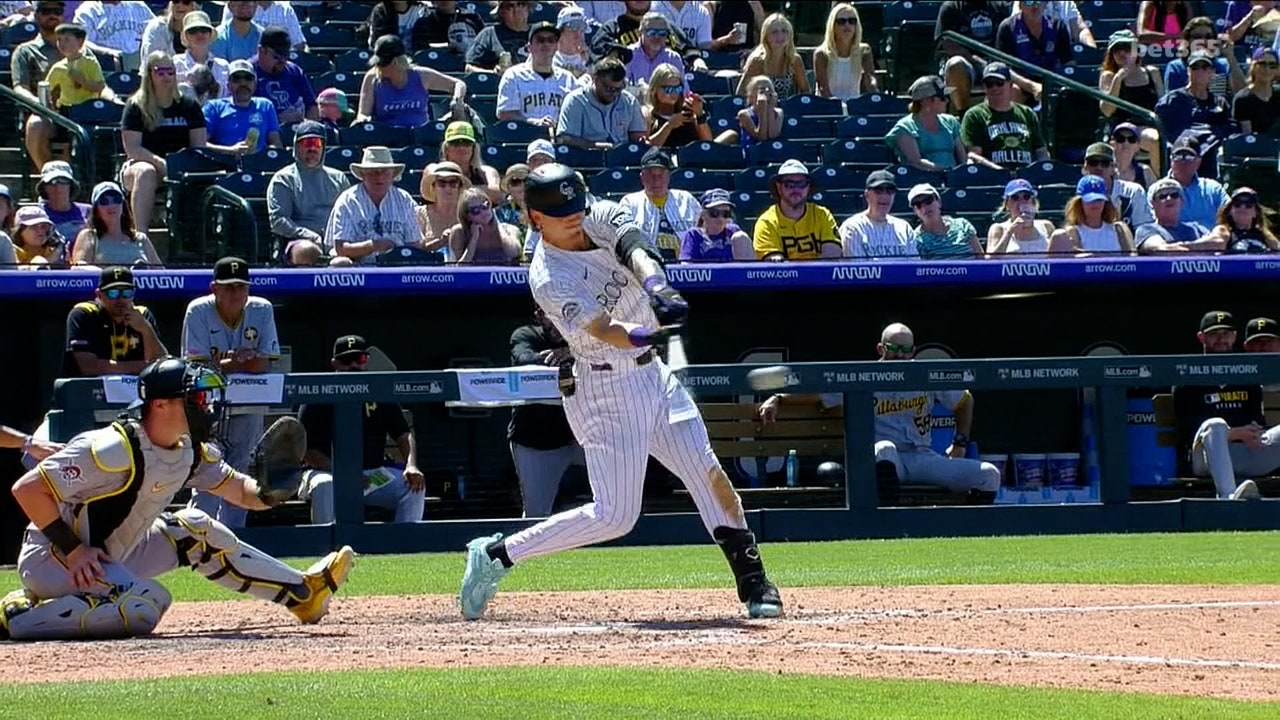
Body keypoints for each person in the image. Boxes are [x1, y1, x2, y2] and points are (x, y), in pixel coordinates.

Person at [459, 163, 783, 621]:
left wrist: (658, 288)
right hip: (605, 385)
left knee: (707, 473)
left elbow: (636, 248)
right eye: (559, 211)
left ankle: (754, 581)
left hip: (654, 378)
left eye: (575, 205)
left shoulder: (598, 214)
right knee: (615, 516)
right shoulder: (548, 276)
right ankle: (497, 554)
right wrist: (649, 334)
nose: (573, 216)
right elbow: (602, 328)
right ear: (535, 218)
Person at [1, 356, 355, 641]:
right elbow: (28, 490)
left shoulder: (188, 451)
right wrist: (75, 551)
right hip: (57, 560)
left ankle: (303, 594)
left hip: (115, 554)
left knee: (194, 529)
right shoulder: (111, 448)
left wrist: (270, 492)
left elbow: (242, 493)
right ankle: (17, 616)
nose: (206, 405)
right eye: (195, 397)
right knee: (146, 605)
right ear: (160, 405)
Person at [757, 322, 1001, 504]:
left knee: (989, 475)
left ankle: (965, 536)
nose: (900, 355)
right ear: (880, 348)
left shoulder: (923, 373)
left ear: (914, 351)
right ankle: (889, 527)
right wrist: (778, 398)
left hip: (922, 458)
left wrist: (959, 443)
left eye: (906, 350)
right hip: (882, 460)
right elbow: (818, 394)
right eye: (894, 348)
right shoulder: (866, 375)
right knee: (884, 447)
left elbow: (964, 400)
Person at [180, 257, 281, 528]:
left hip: (249, 404)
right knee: (207, 476)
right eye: (228, 287)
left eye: (241, 286)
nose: (236, 292)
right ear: (214, 288)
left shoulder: (261, 309)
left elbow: (264, 364)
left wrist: (227, 364)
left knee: (241, 476)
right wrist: (237, 361)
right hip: (208, 409)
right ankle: (197, 536)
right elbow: (196, 369)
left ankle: (234, 542)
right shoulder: (198, 311)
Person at [293, 336, 426, 525]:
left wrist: (411, 465)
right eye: (347, 361)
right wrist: (345, 474)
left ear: (367, 361)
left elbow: (403, 434)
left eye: (360, 359)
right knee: (324, 485)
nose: (354, 365)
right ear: (335, 363)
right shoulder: (318, 392)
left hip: (370, 476)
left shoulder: (378, 390)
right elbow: (306, 450)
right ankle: (328, 550)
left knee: (413, 487)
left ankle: (404, 549)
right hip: (327, 473)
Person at [1172, 311, 1270, 501]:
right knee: (1215, 424)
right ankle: (1228, 497)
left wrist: (1253, 431)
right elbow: (1188, 429)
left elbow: (1257, 418)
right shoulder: (1187, 376)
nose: (1221, 339)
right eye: (1214, 334)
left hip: (1244, 452)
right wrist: (1232, 433)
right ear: (1201, 337)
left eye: (1226, 333)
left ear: (1234, 336)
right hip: (1204, 458)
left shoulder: (1247, 375)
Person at [507, 308, 584, 517]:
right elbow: (523, 358)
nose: (559, 324)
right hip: (536, 441)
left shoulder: (583, 336)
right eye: (552, 316)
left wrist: (574, 353)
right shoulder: (526, 334)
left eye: (564, 316)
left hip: (582, 436)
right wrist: (560, 358)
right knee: (536, 513)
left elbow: (609, 353)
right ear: (539, 315)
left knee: (617, 491)